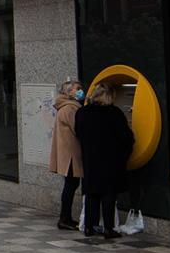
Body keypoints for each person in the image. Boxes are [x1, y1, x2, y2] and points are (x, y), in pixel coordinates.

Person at [71, 83, 132, 240]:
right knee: (108, 194)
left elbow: (78, 132)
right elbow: (126, 137)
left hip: (90, 158)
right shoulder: (114, 113)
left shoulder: (83, 112)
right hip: (111, 159)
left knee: (91, 193)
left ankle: (89, 227)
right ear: (109, 97)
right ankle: (108, 228)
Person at [50, 80, 84, 230]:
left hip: (67, 153)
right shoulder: (70, 109)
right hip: (70, 154)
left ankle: (65, 217)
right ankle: (65, 218)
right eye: (77, 89)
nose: (80, 91)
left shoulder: (65, 107)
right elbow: (79, 129)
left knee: (70, 184)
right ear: (69, 92)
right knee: (71, 185)